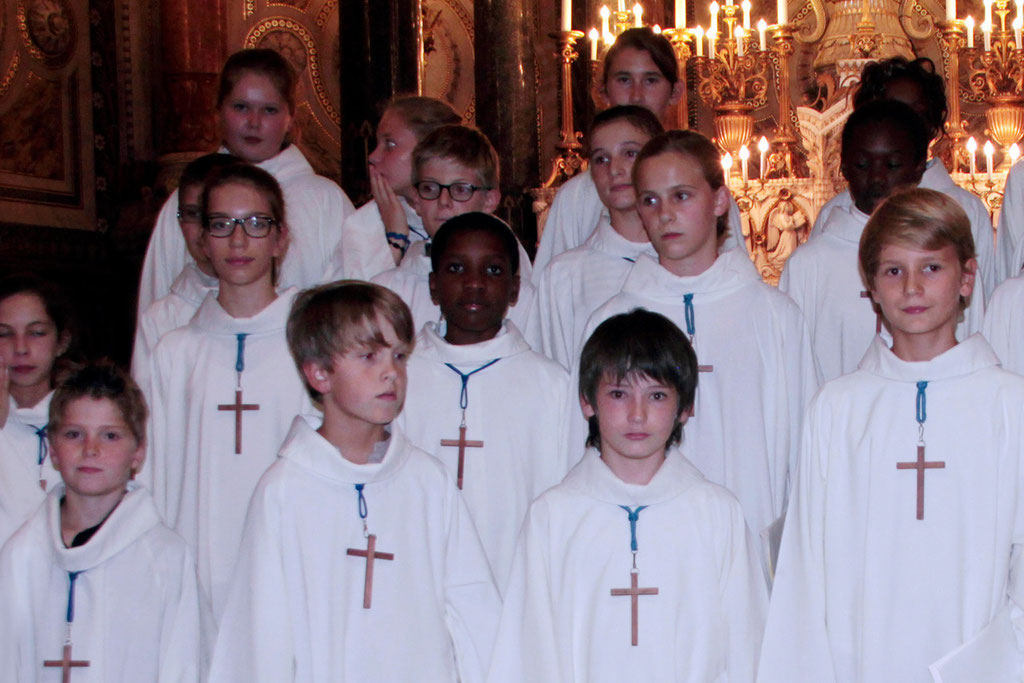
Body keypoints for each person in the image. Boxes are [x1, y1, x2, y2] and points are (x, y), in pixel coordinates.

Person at [759, 188, 1024, 683]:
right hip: (859, 659)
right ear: (872, 288)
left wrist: (991, 665)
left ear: (967, 278)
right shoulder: (838, 409)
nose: (912, 289)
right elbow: (804, 567)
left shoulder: (1010, 406)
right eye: (893, 271)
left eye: (932, 268)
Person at [208, 282, 500, 682]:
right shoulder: (284, 492)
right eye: (368, 356)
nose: (390, 373)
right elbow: (260, 635)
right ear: (319, 373)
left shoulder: (428, 483)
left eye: (399, 356)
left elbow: (474, 611)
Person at [579, 130, 821, 562]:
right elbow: (587, 442)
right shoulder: (612, 320)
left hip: (753, 539)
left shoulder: (775, 316)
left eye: (681, 196)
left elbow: (806, 449)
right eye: (650, 200)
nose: (665, 215)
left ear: (720, 201)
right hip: (643, 544)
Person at [488, 309, 766, 681]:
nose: (637, 415)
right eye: (619, 393)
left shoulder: (716, 514)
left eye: (656, 395)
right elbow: (528, 651)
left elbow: (747, 645)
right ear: (588, 401)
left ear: (685, 408)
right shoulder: (553, 517)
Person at [148, 162, 312, 618]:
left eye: (256, 224)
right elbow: (152, 474)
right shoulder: (174, 352)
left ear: (281, 238)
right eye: (221, 225)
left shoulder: (311, 346)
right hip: (195, 565)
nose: (238, 241)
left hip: (289, 562)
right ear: (202, 240)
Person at [397, 214, 572, 593]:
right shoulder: (399, 378)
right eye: (456, 268)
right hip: (417, 580)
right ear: (432, 285)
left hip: (512, 582)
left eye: (493, 270)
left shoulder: (551, 385)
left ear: (514, 290)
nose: (474, 283)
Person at [0, 363, 206, 682]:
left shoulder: (165, 558)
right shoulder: (20, 555)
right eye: (74, 434)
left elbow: (181, 668)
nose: (90, 450)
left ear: (138, 452)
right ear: (53, 451)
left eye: (109, 435)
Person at [137, 48, 355, 314]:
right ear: (218, 111)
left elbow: (348, 308)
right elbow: (158, 303)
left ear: (289, 118)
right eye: (241, 107)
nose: (254, 122)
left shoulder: (325, 200)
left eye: (269, 110)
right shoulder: (187, 201)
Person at [780, 100, 983, 382]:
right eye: (863, 164)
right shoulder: (809, 264)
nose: (877, 177)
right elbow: (792, 369)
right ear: (844, 168)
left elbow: (971, 338)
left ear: (917, 168)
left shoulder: (944, 251)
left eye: (892, 164)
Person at [533, 27, 747, 276]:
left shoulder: (703, 189)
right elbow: (552, 289)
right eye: (624, 80)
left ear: (675, 92)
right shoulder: (576, 197)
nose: (636, 95)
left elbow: (734, 279)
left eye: (650, 80)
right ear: (603, 91)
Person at [808, 56, 997, 299]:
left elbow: (982, 299)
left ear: (933, 123)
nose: (903, 122)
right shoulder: (836, 212)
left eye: (914, 113)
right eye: (891, 109)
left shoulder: (966, 209)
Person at [530, 105, 662, 368]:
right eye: (602, 159)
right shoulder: (563, 276)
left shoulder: (687, 266)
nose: (615, 169)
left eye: (629, 153)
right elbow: (550, 379)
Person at [371, 125, 535, 331]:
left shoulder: (520, 295)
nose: (443, 201)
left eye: (460, 189)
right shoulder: (390, 290)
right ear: (416, 200)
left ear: (490, 199)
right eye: (430, 188)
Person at [131, 152, 238, 399]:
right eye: (191, 214)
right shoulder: (161, 321)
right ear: (179, 222)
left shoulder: (282, 314)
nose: (202, 228)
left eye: (215, 214)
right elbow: (146, 415)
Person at [327, 96, 461, 282]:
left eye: (389, 145)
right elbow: (355, 305)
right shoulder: (363, 226)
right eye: (377, 144)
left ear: (429, 150)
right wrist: (394, 239)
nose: (373, 156)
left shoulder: (479, 221)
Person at [0, 276, 71, 543]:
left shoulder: (84, 422)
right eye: (4, 334)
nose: (20, 348)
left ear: (61, 342)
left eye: (36, 333)